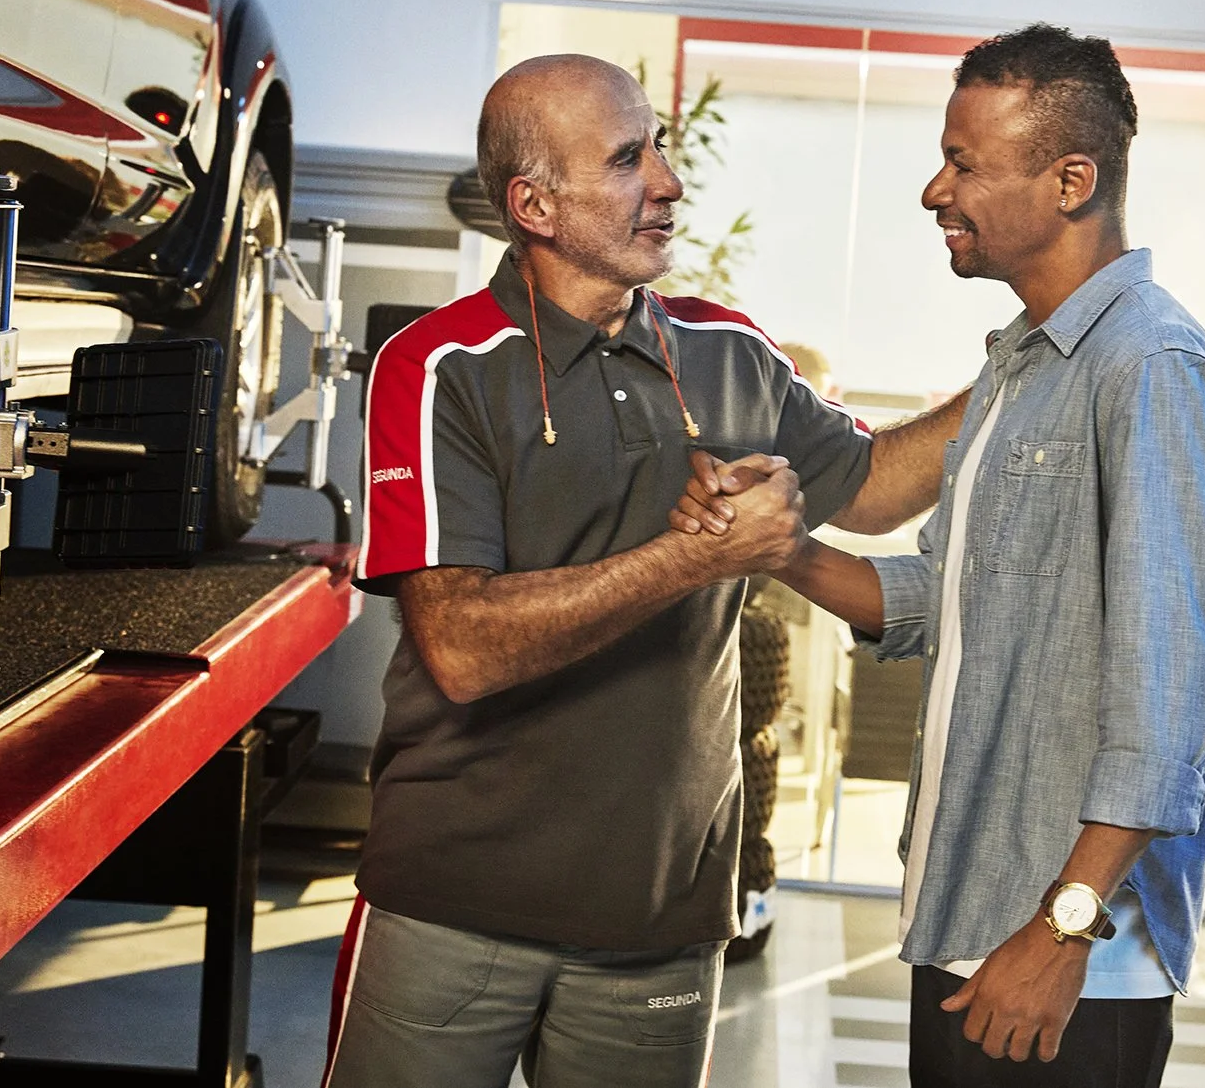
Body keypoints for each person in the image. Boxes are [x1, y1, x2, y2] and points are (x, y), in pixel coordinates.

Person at [323, 54, 965, 1088]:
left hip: (662, 922)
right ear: (533, 204)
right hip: (453, 906)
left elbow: (877, 485)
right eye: (628, 159)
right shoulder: (438, 366)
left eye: (658, 145)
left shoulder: (728, 352)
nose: (667, 180)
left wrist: (1029, 359)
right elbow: (463, 647)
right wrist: (691, 559)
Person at [673, 25, 1205, 1087]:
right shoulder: (1019, 371)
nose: (934, 190)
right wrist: (778, 548)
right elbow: (941, 602)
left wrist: (1062, 932)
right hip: (969, 919)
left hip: (1065, 961)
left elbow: (1178, 697)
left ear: (1070, 180)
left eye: (966, 164)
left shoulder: (1153, 372)